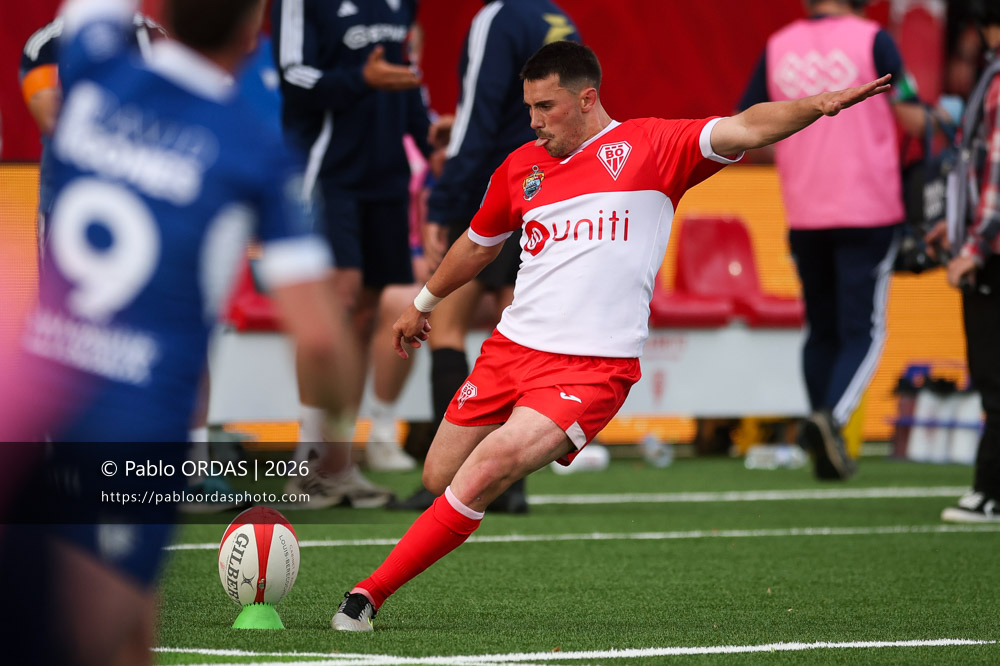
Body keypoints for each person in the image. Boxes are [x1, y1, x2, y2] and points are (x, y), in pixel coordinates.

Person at [330, 40, 892, 631]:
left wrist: (821, 103)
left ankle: (365, 597)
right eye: (528, 108)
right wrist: (423, 303)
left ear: (587, 98)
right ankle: (540, 443)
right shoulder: (520, 168)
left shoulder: (653, 147)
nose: (534, 121)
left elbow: (746, 127)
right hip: (510, 351)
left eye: (545, 107)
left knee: (487, 467)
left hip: (591, 368)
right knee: (437, 476)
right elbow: (476, 243)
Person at [0, 1, 361, 663]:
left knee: (128, 628)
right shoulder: (251, 145)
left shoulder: (95, 66)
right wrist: (335, 435)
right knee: (88, 636)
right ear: (255, 33)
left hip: (28, 399)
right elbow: (319, 340)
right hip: (128, 421)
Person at [390, 0, 581, 512]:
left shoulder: (497, 19)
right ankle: (509, 481)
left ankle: (454, 481)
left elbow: (481, 111)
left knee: (446, 328)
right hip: (553, 188)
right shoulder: (557, 18)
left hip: (496, 190)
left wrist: (447, 200)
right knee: (519, 327)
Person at [737, 0, 924, 480]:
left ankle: (824, 438)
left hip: (804, 208)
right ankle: (831, 419)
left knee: (821, 328)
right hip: (869, 208)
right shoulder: (873, 40)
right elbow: (911, 116)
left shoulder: (778, 45)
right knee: (863, 330)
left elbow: (749, 124)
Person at [272, 0, 433, 503]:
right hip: (327, 172)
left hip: (386, 178)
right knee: (336, 303)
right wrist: (360, 80)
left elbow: (403, 76)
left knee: (365, 313)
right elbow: (293, 75)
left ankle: (337, 462)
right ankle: (307, 458)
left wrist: (432, 141)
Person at [929, 0, 1000, 523]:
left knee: (994, 376)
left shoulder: (996, 80)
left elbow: (996, 173)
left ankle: (991, 491)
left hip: (993, 255)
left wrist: (972, 245)